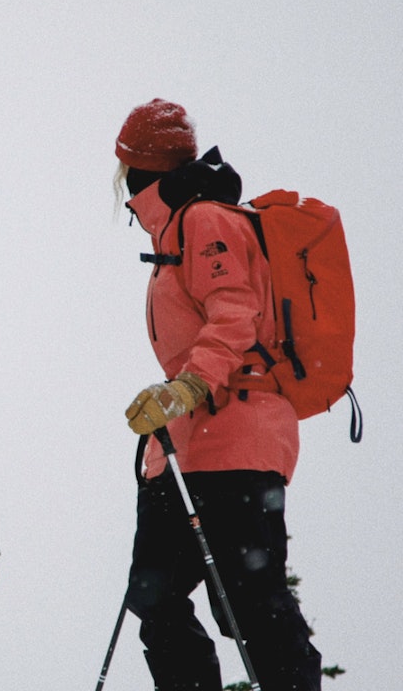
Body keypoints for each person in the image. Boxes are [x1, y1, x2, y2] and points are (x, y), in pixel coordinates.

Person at [114, 98, 323, 690]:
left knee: (250, 602)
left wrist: (187, 385)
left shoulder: (205, 219)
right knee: (154, 597)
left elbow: (235, 311)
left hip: (235, 433)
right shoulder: (176, 228)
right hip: (185, 445)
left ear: (142, 167)